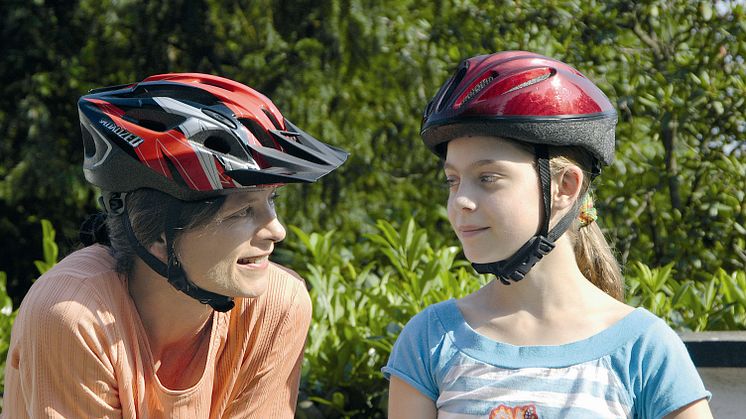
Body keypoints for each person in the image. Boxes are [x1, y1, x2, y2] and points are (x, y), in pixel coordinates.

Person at [383, 51, 712, 419]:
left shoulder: (644, 350)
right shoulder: (431, 341)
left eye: (487, 178)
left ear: (564, 186)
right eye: (452, 180)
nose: (460, 201)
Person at [3, 73, 347, 418]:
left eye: (271, 201)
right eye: (242, 211)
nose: (277, 230)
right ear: (157, 235)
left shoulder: (277, 306)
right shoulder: (74, 318)